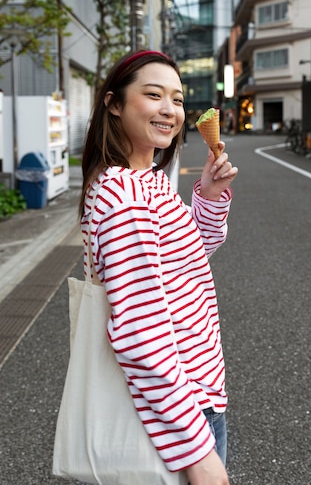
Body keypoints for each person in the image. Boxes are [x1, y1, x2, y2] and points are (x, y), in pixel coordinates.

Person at [79, 49, 238, 485]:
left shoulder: (146, 180)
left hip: (193, 392)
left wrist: (209, 194)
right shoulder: (125, 196)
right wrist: (198, 453)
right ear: (114, 103)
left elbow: (190, 255)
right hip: (177, 411)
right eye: (153, 95)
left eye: (178, 99)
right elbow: (137, 329)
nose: (170, 110)